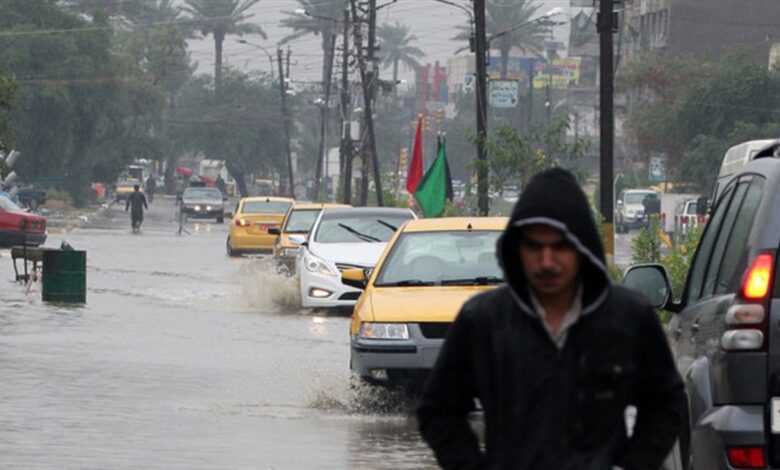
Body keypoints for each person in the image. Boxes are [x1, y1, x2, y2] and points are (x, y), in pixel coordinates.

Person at [417, 168, 684, 470]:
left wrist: (633, 465)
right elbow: (438, 410)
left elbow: (665, 402)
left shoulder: (628, 317)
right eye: (534, 246)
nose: (546, 262)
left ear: (581, 247)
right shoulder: (483, 321)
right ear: (516, 248)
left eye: (560, 246)